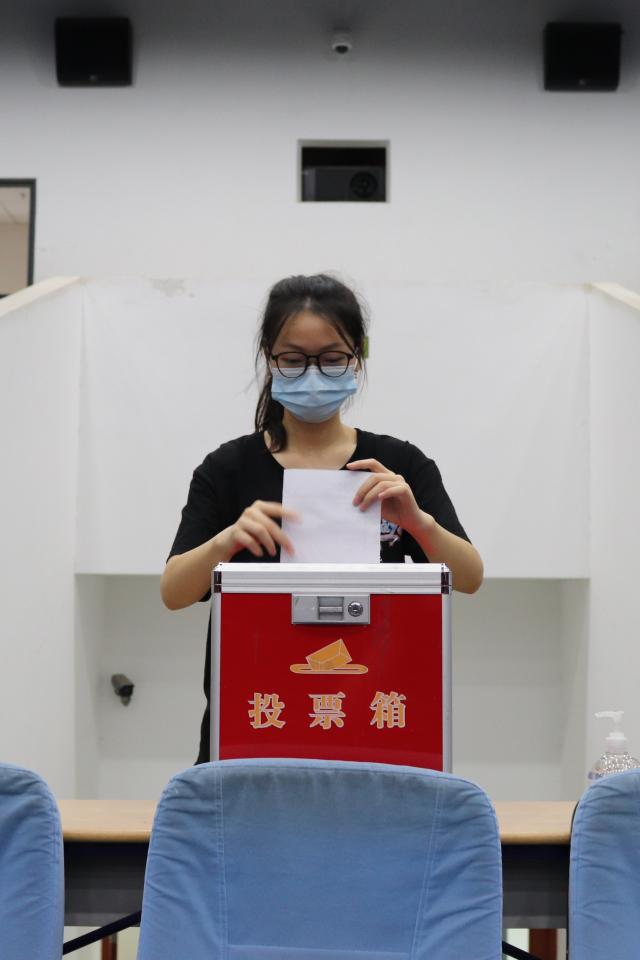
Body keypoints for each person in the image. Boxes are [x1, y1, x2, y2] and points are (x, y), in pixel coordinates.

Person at [161, 274, 483, 763]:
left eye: (332, 359)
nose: (313, 374)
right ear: (269, 358)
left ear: (358, 357)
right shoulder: (228, 469)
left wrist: (418, 522)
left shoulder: (399, 465)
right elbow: (174, 592)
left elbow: (470, 577)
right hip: (254, 722)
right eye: (293, 360)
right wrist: (226, 541)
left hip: (376, 716)